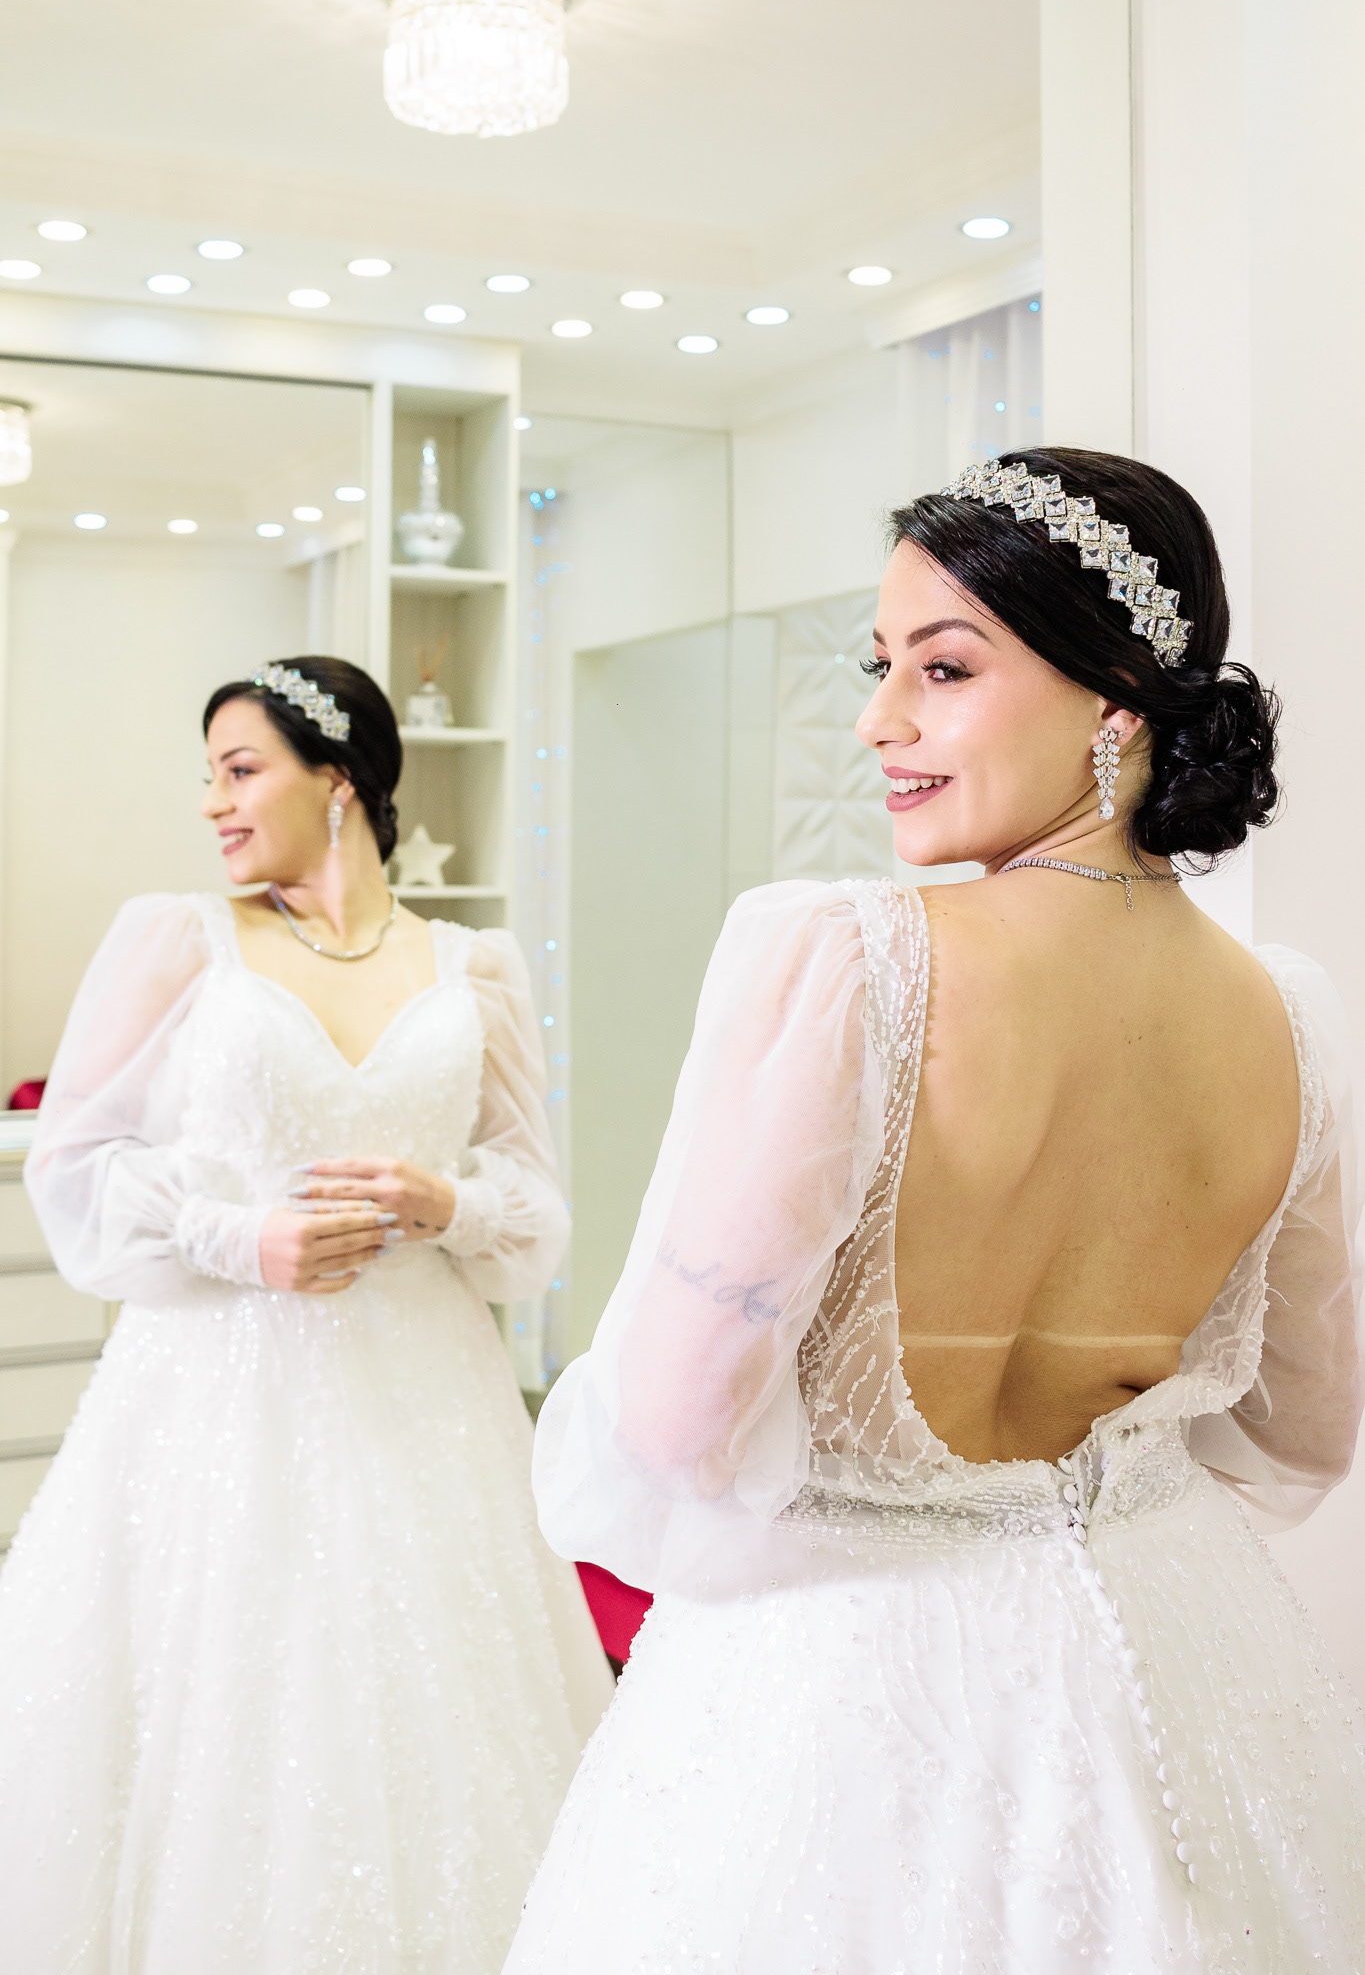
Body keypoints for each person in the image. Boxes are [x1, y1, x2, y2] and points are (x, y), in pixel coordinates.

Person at [505, 451, 1365, 1973]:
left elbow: (676, 1422)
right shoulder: (1283, 1016)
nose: (878, 721)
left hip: (857, 1685)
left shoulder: (849, 957)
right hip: (1181, 1667)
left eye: (944, 668)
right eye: (880, 666)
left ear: (1115, 701)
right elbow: (1301, 1427)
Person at [0, 656, 613, 1974]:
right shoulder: (181, 939)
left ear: (337, 781)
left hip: (428, 1399)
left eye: (240, 770)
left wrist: (448, 1202)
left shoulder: (474, 966)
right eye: (208, 777)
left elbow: (536, 1208)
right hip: (217, 1390)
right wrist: (237, 1236)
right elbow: (74, 1158)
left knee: (435, 1707)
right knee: (217, 1701)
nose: (213, 804)